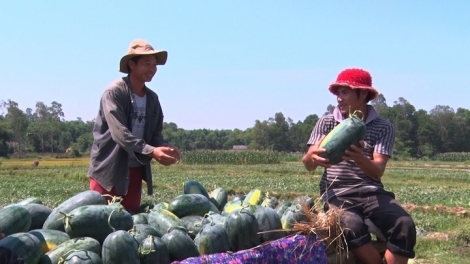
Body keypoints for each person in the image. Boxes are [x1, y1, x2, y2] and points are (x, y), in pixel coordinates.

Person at [302, 68, 416, 264]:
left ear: (362, 93)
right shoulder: (326, 122)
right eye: (338, 93)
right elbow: (308, 165)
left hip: (372, 192)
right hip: (337, 192)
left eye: (345, 92)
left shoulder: (384, 126)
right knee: (351, 225)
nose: (339, 98)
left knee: (404, 224)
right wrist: (311, 156)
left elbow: (377, 171)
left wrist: (359, 157)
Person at [88, 39, 181, 214]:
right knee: (100, 222)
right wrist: (152, 151)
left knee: (128, 222)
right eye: (147, 63)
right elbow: (120, 134)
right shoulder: (114, 92)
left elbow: (155, 135)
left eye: (155, 65)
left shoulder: (153, 99)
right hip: (109, 171)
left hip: (134, 171)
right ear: (132, 64)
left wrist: (164, 147)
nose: (152, 69)